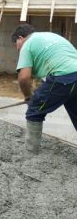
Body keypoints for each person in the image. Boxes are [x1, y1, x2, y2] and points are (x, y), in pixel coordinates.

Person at [12, 24, 77, 153]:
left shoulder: (27, 44)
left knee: (34, 110)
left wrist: (28, 97)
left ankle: (30, 151)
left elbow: (24, 78)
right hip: (72, 75)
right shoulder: (51, 36)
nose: (18, 49)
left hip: (63, 77)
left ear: (20, 38)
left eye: (16, 45)